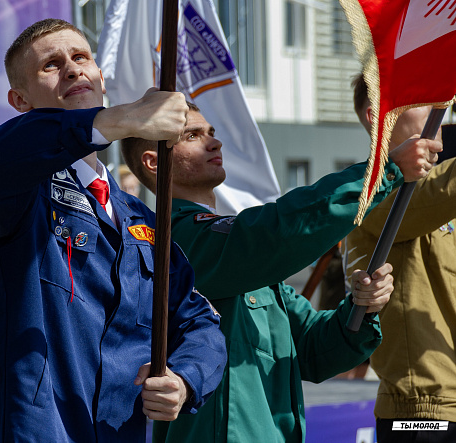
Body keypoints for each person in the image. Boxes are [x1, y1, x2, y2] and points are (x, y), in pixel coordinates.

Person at [0, 19, 227, 442]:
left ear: (101, 79)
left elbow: (198, 320)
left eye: (81, 57)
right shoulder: (14, 188)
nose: (72, 69)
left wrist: (184, 379)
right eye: (51, 65)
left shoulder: (142, 219)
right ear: (20, 101)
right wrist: (118, 119)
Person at [121, 102, 441, 442]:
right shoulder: (174, 239)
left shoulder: (231, 247)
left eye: (211, 133)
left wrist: (363, 306)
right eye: (192, 136)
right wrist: (384, 171)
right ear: (154, 163)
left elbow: (314, 351)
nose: (214, 143)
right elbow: (274, 232)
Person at [343, 73, 456, 442]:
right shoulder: (368, 190)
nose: (443, 109)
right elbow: (431, 194)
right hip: (420, 414)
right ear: (381, 116)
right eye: (427, 100)